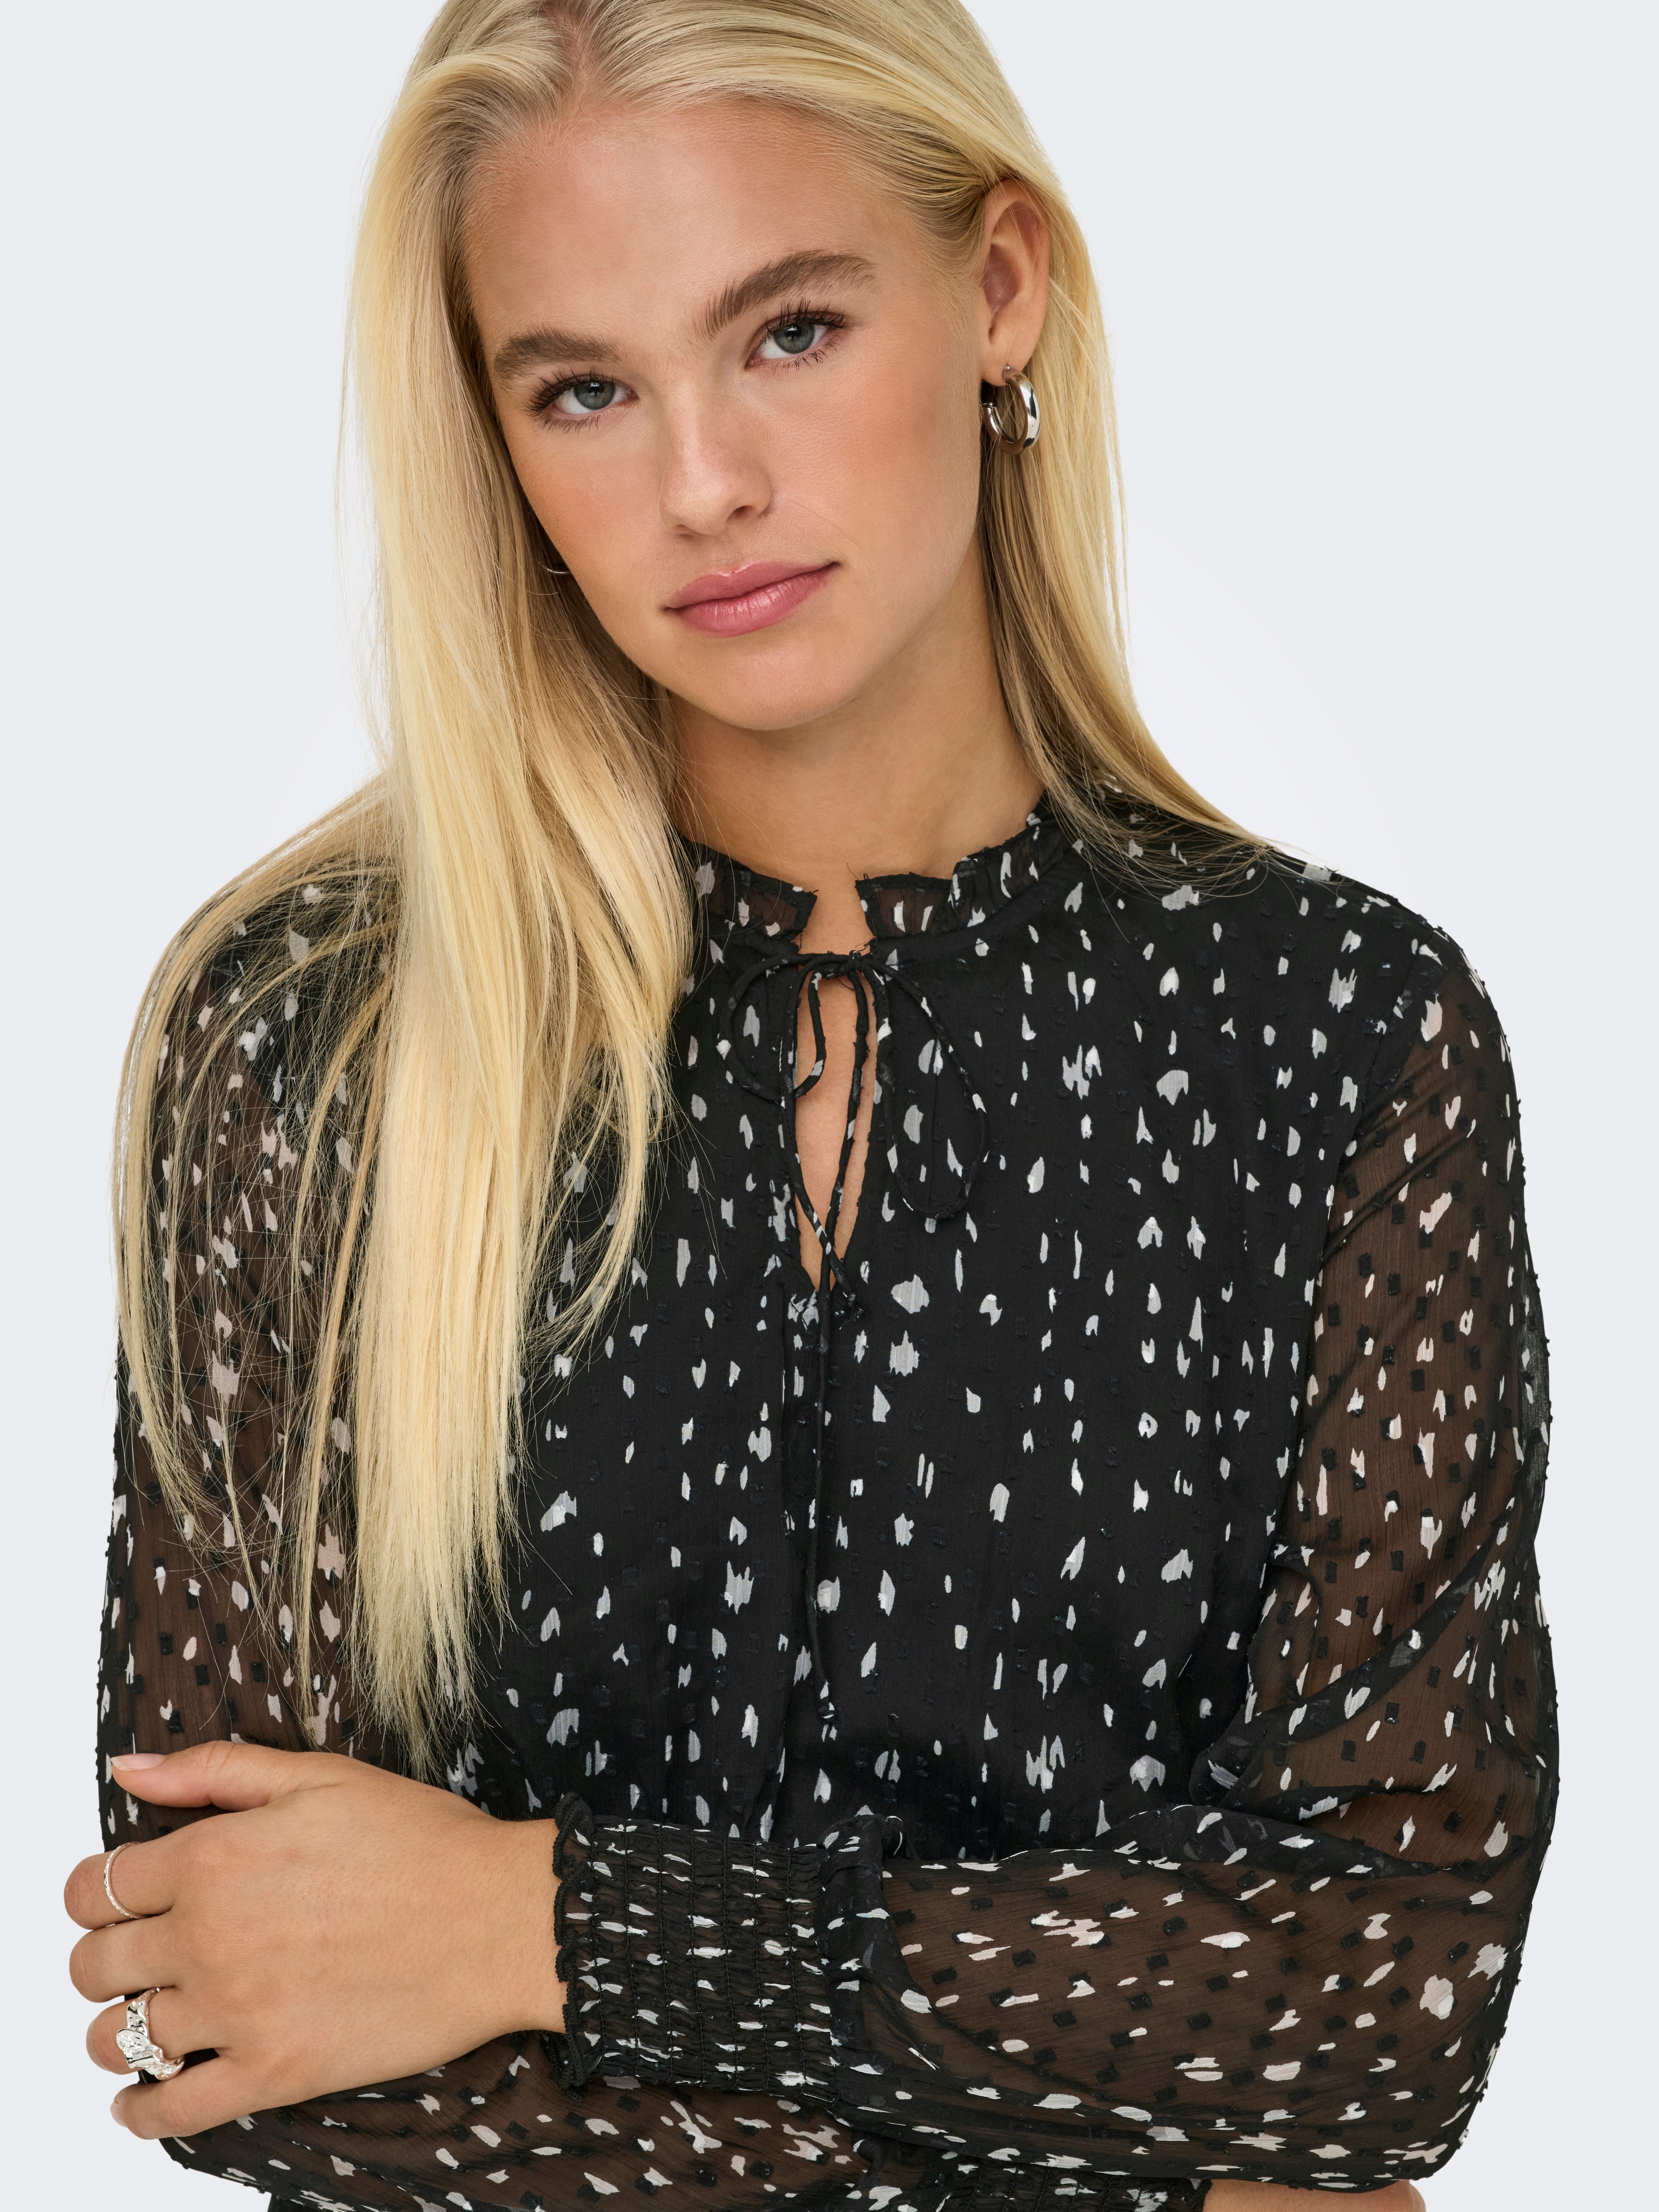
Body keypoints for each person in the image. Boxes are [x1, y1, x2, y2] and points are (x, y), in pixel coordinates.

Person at [63, 3, 1554, 2207]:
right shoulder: (304, 1037)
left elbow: (1384, 1996)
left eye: (788, 332)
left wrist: (531, 1923)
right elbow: (222, 1998)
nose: (703, 485)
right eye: (584, 388)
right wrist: (1161, 2156)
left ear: (999, 286)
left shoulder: (1335, 1034)